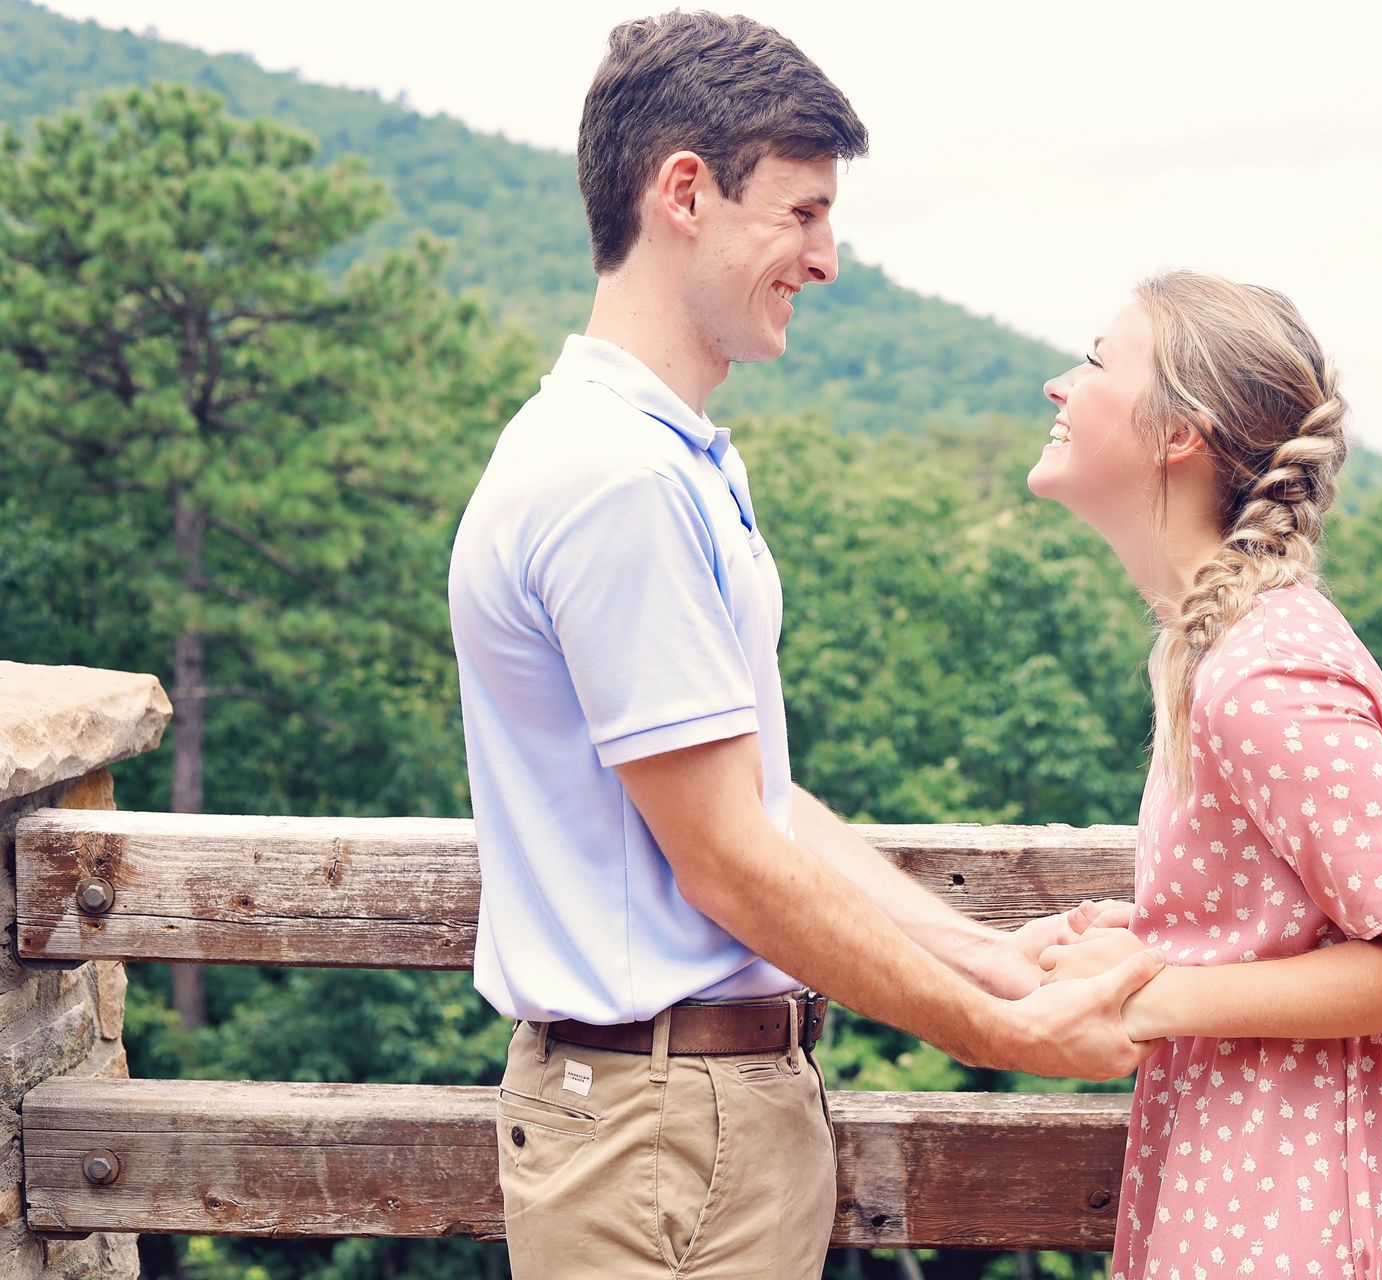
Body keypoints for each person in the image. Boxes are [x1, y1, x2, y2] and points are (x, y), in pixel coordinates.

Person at [447, 13, 1162, 1279]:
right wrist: (1012, 1033)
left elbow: (754, 802)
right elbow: (728, 862)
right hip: (662, 1131)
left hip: (679, 1120)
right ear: (685, 192)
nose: (826, 258)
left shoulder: (659, 457)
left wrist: (986, 954)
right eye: (803, 212)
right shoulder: (618, 478)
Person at [1030, 271, 1382, 1280]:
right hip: (1265, 1181)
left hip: (1302, 1212)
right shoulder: (1213, 650)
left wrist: (1149, 992)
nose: (1057, 386)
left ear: (1179, 434)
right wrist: (1166, 932)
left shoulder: (1260, 674)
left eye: (1096, 360)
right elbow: (1308, 920)